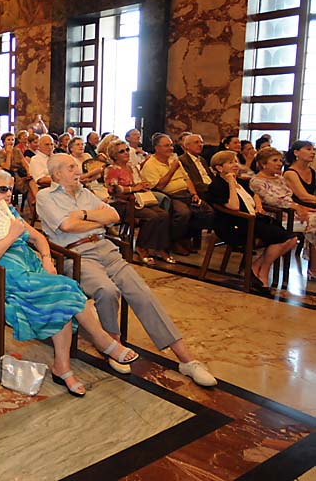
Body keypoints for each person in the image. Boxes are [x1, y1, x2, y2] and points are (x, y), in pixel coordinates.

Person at [36, 153, 218, 386]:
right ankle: (113, 345)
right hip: (77, 255)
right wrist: (97, 221)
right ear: (57, 173)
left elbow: (113, 215)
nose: (78, 171)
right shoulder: (46, 196)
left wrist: (84, 214)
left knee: (143, 294)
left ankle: (186, 360)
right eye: (72, 168)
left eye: (77, 167)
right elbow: (66, 226)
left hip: (106, 248)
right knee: (107, 290)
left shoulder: (84, 193)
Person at [0, 169, 139, 396]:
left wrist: (47, 260)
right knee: (66, 288)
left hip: (33, 270)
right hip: (7, 279)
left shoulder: (10, 213)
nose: (9, 193)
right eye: (2, 189)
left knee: (62, 298)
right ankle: (103, 343)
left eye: (10, 188)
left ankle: (63, 367)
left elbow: (38, 238)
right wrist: (11, 235)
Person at [207, 151, 298, 289]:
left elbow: (254, 195)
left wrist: (259, 205)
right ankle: (262, 270)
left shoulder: (241, 182)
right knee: (284, 238)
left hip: (252, 220)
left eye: (236, 161)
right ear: (220, 168)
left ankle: (257, 266)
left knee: (291, 240)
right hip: (235, 224)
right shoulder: (216, 186)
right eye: (231, 162)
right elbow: (234, 206)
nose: (236, 165)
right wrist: (231, 183)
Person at [141, 133, 212, 257]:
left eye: (171, 145)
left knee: (207, 212)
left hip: (186, 193)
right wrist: (172, 170)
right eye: (166, 146)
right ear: (157, 148)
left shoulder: (173, 160)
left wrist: (194, 193)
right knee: (183, 213)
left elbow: (187, 179)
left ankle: (184, 237)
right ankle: (173, 241)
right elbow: (159, 187)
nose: (171, 148)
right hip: (170, 195)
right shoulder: (150, 165)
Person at [250, 147, 316, 280]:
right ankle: (313, 269)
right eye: (275, 160)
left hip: (291, 212)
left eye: (280, 160)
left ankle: (313, 267)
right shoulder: (257, 181)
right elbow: (271, 200)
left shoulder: (279, 179)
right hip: (275, 216)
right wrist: (295, 207)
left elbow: (289, 198)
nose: (279, 163)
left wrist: (302, 208)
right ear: (263, 164)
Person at [105, 140, 175, 264]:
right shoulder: (112, 169)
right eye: (122, 151)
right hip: (121, 203)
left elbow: (138, 182)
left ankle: (160, 248)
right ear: (115, 155)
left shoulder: (132, 167)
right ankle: (142, 247)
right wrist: (133, 188)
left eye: (127, 149)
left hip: (138, 199)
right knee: (151, 216)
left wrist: (142, 185)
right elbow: (113, 190)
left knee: (163, 214)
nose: (126, 153)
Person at [283, 140, 316, 208]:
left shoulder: (312, 171)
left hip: (311, 205)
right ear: (296, 152)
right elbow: (303, 196)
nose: (313, 152)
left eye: (314, 149)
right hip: (296, 208)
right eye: (308, 149)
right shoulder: (290, 173)